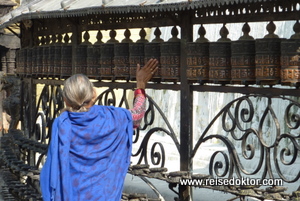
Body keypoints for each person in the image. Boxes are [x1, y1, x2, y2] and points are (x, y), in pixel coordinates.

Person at [40, 59, 159, 201]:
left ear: (65, 100)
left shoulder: (62, 123)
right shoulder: (112, 117)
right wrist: (140, 85)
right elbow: (137, 115)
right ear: (94, 94)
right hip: (102, 195)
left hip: (70, 193)